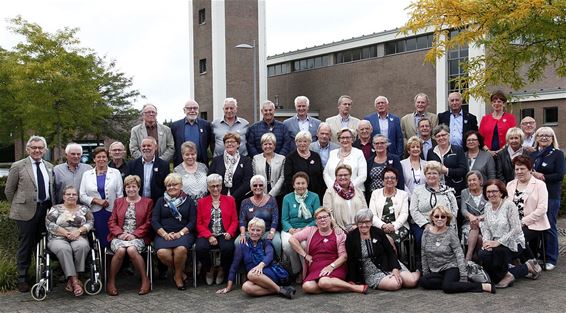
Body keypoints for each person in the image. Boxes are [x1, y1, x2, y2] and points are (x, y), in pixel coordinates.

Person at [5, 135, 54, 292]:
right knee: (26, 244)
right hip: (25, 211)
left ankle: (43, 275)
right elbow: (9, 190)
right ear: (28, 149)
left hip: (46, 209)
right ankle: (22, 278)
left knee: (44, 243)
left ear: (45, 150)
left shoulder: (49, 166)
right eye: (34, 147)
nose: (37, 150)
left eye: (40, 148)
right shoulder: (18, 166)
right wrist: (19, 205)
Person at [478, 179, 542, 288]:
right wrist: (486, 242)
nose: (491, 194)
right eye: (488, 192)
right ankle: (516, 270)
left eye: (494, 191)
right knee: (483, 253)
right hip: (495, 241)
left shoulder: (509, 206)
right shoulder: (488, 206)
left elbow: (516, 228)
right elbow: (487, 228)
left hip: (514, 242)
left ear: (501, 192)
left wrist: (498, 242)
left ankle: (519, 270)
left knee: (498, 253)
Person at [289, 207, 368, 294]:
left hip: (335, 266)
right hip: (315, 267)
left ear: (330, 219)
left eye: (325, 217)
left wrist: (331, 266)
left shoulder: (338, 234)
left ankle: (353, 287)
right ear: (316, 221)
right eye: (319, 218)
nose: (322, 220)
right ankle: (336, 287)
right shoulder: (310, 230)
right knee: (307, 287)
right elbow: (292, 239)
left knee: (324, 282)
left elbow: (344, 257)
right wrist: (305, 255)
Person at [420, 206, 496, 294]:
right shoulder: (426, 232)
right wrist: (426, 273)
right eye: (437, 216)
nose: (439, 219)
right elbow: (423, 253)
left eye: (443, 216)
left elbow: (459, 254)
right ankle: (455, 285)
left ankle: (483, 286)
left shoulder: (450, 233)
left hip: (452, 267)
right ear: (432, 218)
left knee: (447, 288)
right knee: (423, 281)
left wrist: (463, 276)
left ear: (447, 219)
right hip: (436, 270)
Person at [217, 218, 295, 299]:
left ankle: (280, 289)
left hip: (272, 272)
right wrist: (228, 287)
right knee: (246, 287)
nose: (255, 233)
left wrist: (260, 266)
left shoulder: (266, 243)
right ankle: (279, 289)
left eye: (258, 230)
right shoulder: (242, 246)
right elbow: (234, 266)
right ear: (248, 230)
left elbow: (269, 256)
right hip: (257, 278)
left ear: (262, 232)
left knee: (251, 274)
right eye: (252, 230)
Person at [346, 209, 419, 291]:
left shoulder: (378, 232)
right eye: (360, 222)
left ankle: (418, 272)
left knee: (411, 281)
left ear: (371, 222)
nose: (364, 225)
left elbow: (390, 252)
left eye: (367, 222)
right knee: (395, 284)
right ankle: (397, 279)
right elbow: (351, 260)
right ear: (357, 223)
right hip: (372, 273)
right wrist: (352, 280)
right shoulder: (351, 237)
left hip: (388, 263)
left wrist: (395, 268)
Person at [107, 175, 153, 296]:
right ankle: (111, 281)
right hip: (119, 236)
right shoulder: (119, 202)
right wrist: (119, 233)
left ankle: (145, 279)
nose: (131, 189)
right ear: (124, 188)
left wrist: (135, 234)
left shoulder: (147, 202)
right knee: (121, 250)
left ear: (139, 188)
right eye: (128, 186)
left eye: (134, 186)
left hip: (139, 236)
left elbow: (148, 222)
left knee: (132, 250)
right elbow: (112, 221)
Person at [45, 186, 93, 297]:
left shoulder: (84, 209)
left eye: (74, 194)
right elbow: (49, 224)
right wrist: (65, 233)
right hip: (58, 237)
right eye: (68, 194)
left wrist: (79, 231)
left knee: (82, 246)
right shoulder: (56, 208)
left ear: (77, 196)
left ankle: (73, 279)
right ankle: (75, 281)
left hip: (78, 236)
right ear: (63, 196)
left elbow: (90, 223)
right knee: (64, 248)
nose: (71, 196)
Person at [152, 173, 197, 290]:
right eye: (169, 185)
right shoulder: (160, 201)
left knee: (180, 250)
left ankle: (177, 277)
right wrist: (164, 234)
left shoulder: (189, 201)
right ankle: (180, 273)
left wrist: (180, 233)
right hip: (164, 234)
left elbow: (192, 221)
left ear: (181, 185)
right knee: (162, 253)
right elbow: (155, 221)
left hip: (184, 233)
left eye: (175, 184)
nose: (171, 187)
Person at [530, 127, 565, 270]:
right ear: (536, 137)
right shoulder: (533, 154)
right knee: (536, 226)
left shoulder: (557, 154)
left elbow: (559, 175)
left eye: (547, 136)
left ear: (552, 138)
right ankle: (539, 255)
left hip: (551, 195)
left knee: (549, 225)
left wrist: (541, 176)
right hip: (534, 195)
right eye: (541, 135)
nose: (544, 138)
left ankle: (551, 258)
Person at [196, 174, 238, 285]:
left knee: (228, 248)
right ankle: (209, 269)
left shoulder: (230, 200)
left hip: (224, 233)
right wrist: (209, 236)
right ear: (208, 188)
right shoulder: (201, 202)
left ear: (221, 186)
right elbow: (199, 224)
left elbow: (234, 220)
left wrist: (230, 232)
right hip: (207, 234)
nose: (215, 189)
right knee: (200, 248)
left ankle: (221, 270)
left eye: (218, 186)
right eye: (212, 186)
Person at [506, 156, 550, 264]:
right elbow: (506, 205)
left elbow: (542, 208)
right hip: (513, 223)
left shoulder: (540, 185)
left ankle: (530, 264)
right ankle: (519, 262)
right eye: (517, 169)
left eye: (522, 169)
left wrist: (523, 222)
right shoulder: (510, 184)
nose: (519, 172)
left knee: (517, 237)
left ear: (530, 169)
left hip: (534, 223)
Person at [80, 147, 123, 248]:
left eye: (104, 157)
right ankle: (100, 261)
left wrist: (117, 211)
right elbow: (82, 195)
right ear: (94, 159)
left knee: (112, 238)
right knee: (99, 239)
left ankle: (112, 261)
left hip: (112, 212)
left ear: (108, 159)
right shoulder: (86, 174)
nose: (101, 159)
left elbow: (120, 194)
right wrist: (95, 200)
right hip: (95, 212)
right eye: (98, 157)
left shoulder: (115, 173)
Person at [409, 161, 459, 248]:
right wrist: (426, 225)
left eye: (434, 173)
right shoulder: (418, 190)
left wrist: (443, 224)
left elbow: (454, 209)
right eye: (429, 173)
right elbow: (413, 210)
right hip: (423, 224)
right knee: (422, 237)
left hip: (444, 223)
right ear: (425, 175)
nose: (431, 175)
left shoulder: (447, 191)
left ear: (439, 175)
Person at [281, 172, 320, 278]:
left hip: (308, 227)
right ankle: (297, 269)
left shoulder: (314, 197)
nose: (300, 186)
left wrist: (304, 229)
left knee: (304, 245)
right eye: (298, 183)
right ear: (293, 185)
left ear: (307, 184)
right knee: (287, 245)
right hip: (291, 229)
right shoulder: (287, 198)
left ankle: (306, 271)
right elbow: (284, 219)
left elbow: (317, 218)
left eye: (303, 183)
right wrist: (291, 230)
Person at [238, 175, 281, 256]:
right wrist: (243, 234)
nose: (258, 187)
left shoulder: (272, 200)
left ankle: (276, 262)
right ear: (251, 187)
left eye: (260, 185)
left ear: (264, 187)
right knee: (238, 242)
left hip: (267, 231)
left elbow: (275, 219)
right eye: (255, 185)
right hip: (250, 232)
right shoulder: (245, 202)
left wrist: (272, 233)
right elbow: (242, 220)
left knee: (277, 242)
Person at [209, 132, 253, 207]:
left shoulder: (246, 160)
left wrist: (233, 197)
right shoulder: (216, 160)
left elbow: (247, 182)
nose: (229, 144)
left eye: (232, 141)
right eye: (227, 142)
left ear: (238, 144)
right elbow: (210, 179)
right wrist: (221, 196)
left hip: (239, 200)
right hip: (219, 200)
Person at [368, 167, 409, 248]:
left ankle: (391, 260)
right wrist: (383, 226)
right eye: (386, 178)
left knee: (387, 240)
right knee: (382, 240)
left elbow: (404, 214)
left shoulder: (403, 194)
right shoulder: (375, 193)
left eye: (393, 178)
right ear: (383, 181)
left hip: (399, 227)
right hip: (379, 226)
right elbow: (372, 214)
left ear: (396, 181)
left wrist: (394, 226)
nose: (389, 180)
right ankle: (394, 260)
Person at [125, 137, 170, 204]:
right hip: (136, 202)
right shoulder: (132, 165)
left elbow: (165, 186)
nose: (146, 148)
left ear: (155, 147)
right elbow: (127, 185)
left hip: (156, 203)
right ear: (140, 148)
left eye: (149, 145)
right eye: (143, 146)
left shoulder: (163, 165)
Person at [323, 164, 367, 232]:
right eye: (340, 175)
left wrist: (359, 225)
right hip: (339, 229)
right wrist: (335, 227)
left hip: (359, 228)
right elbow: (328, 213)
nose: (343, 177)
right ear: (336, 177)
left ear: (350, 176)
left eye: (346, 175)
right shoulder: (330, 192)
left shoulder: (358, 191)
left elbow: (365, 210)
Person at [427, 124, 468, 197]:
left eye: (444, 135)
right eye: (438, 136)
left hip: (455, 190)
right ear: (435, 138)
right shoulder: (431, 152)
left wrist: (447, 171)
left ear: (448, 135)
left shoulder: (458, 150)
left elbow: (464, 170)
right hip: (437, 191)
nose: (441, 138)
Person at [170, 99, 214, 166]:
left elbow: (207, 143)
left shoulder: (206, 125)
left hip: (201, 163)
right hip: (181, 164)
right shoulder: (175, 126)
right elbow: (173, 145)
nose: (192, 110)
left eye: (195, 108)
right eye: (189, 108)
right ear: (184, 110)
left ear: (198, 110)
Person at [284, 131, 326, 200]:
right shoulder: (290, 158)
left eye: (305, 141)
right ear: (296, 143)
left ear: (310, 142)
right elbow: (288, 180)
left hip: (315, 195)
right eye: (299, 141)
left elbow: (320, 177)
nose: (302, 144)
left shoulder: (316, 156)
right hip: (297, 196)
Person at [365, 134, 404, 200]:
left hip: (392, 196)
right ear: (373, 145)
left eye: (382, 143)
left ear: (387, 144)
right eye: (377, 143)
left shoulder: (395, 159)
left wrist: (399, 196)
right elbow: (367, 182)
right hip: (374, 197)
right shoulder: (369, 162)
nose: (379, 145)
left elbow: (400, 179)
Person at [460, 170, 488, 261]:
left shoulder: (487, 191)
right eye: (469, 180)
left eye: (474, 180)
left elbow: (492, 209)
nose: (471, 182)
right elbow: (463, 209)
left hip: (486, 222)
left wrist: (480, 217)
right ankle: (475, 258)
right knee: (477, 233)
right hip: (469, 223)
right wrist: (470, 216)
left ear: (480, 181)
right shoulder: (464, 192)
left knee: (479, 232)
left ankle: (469, 257)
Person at [478, 90, 517, 154]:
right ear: (491, 103)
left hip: (506, 153)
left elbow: (513, 136)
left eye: (499, 101)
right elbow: (480, 138)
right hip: (487, 153)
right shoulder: (485, 119)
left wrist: (501, 150)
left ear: (504, 104)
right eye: (494, 102)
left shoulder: (510, 118)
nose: (496, 104)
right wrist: (488, 151)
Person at [252, 133, 285, 198]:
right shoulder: (256, 158)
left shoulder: (282, 158)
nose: (268, 146)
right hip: (260, 194)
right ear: (262, 146)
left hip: (278, 195)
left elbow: (282, 177)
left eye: (270, 144)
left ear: (274, 145)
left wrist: (271, 194)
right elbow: (254, 176)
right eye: (265, 144)